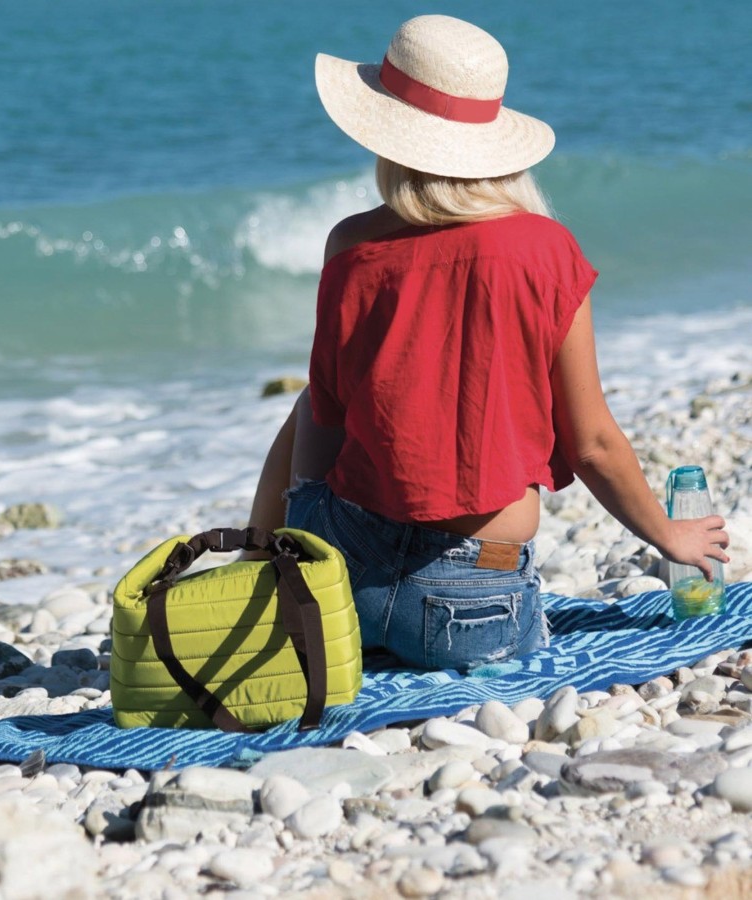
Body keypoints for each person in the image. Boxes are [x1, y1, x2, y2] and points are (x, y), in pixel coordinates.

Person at [249, 15, 730, 671]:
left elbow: (328, 423)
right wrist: (666, 535)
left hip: (339, 590)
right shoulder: (546, 251)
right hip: (474, 607)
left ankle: (263, 571)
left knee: (310, 401)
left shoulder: (351, 244)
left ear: (387, 137)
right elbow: (591, 443)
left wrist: (307, 536)